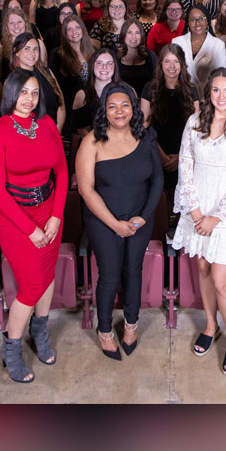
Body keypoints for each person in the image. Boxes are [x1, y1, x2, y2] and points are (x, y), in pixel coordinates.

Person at [171, 68, 226, 375]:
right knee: (203, 268)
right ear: (208, 93)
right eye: (216, 90)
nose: (221, 96)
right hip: (198, 209)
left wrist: (215, 217)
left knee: (222, 281)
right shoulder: (194, 122)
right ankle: (211, 327)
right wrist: (196, 212)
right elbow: (185, 167)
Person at [0, 70, 69, 383]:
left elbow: (61, 171)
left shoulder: (45, 125)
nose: (29, 98)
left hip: (47, 209)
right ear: (11, 94)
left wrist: (56, 215)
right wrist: (30, 229)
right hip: (13, 216)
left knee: (47, 276)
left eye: (34, 92)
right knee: (32, 284)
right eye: (23, 92)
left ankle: (40, 330)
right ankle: (12, 348)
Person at [76, 83, 164, 359]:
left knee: (132, 271)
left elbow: (157, 180)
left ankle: (131, 325)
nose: (119, 111)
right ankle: (104, 330)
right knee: (110, 274)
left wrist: (143, 217)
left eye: (125, 105)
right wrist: (114, 224)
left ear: (133, 108)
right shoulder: (91, 141)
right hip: (104, 221)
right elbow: (85, 189)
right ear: (104, 110)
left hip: (139, 218)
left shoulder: (146, 136)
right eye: (112, 106)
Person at [140, 44, 199, 192]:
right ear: (160, 64)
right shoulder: (149, 88)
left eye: (176, 61)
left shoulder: (191, 90)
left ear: (182, 64)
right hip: (155, 152)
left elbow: (196, 129)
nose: (171, 66)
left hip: (184, 154)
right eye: (167, 61)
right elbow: (144, 126)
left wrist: (180, 157)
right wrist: (163, 157)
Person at [11, 32, 66, 131]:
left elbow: (61, 106)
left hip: (53, 131)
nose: (32, 53)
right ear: (16, 52)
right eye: (27, 48)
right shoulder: (13, 80)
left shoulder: (47, 73)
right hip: (30, 135)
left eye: (35, 49)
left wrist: (57, 132)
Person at [0, 7, 47, 101]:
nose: (16, 26)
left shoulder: (39, 44)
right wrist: (5, 103)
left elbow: (44, 74)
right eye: (11, 23)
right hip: (9, 99)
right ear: (6, 26)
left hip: (35, 98)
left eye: (19, 22)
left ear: (25, 23)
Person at [172, 4, 226, 95]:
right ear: (188, 22)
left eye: (202, 18)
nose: (197, 23)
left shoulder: (218, 45)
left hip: (208, 96)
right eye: (193, 19)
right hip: (182, 94)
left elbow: (221, 75)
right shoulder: (177, 42)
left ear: (207, 21)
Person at [49, 14, 93, 117]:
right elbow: (54, 85)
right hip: (70, 107)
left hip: (92, 105)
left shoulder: (93, 51)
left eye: (77, 28)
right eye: (70, 29)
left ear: (83, 30)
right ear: (65, 33)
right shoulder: (56, 54)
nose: (74, 32)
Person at [72, 48, 121, 136]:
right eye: (99, 63)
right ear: (92, 65)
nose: (104, 67)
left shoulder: (126, 91)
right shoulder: (82, 95)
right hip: (92, 144)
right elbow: (82, 129)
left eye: (109, 63)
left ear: (115, 66)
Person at [118, 18, 158, 96]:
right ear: (123, 34)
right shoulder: (115, 56)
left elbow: (158, 81)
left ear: (142, 35)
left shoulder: (150, 56)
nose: (134, 37)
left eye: (137, 33)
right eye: (129, 32)